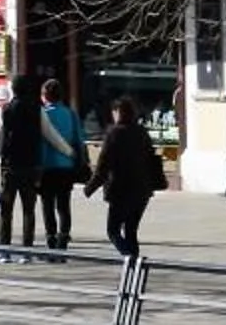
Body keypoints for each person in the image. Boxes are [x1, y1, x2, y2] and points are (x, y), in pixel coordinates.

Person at [85, 96, 167, 260]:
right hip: (142, 190)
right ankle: (135, 264)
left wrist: (90, 187)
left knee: (113, 230)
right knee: (131, 230)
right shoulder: (141, 132)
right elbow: (152, 159)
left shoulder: (114, 134)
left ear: (117, 112)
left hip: (121, 191)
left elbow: (103, 166)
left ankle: (130, 258)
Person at [0, 75, 43, 254]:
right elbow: (49, 135)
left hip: (9, 165)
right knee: (29, 210)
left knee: (6, 209)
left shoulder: (4, 110)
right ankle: (27, 250)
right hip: (31, 165)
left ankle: (4, 249)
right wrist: (69, 151)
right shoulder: (37, 110)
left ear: (12, 90)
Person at [33, 78, 84, 250]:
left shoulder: (41, 114)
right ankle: (64, 236)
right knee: (64, 205)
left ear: (44, 96)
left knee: (47, 204)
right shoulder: (71, 114)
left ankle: (51, 236)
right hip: (66, 166)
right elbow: (79, 139)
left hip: (45, 166)